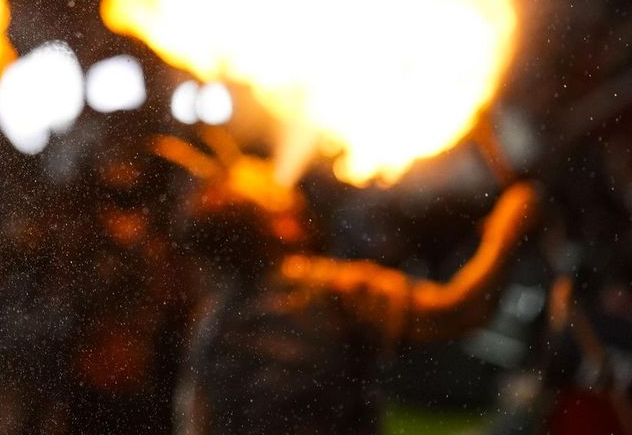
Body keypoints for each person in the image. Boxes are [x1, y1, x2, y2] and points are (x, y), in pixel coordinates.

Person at [163, 137, 541, 435]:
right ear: (281, 224)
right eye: (259, 182)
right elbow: (461, 311)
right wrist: (508, 229)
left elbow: (195, 423)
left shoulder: (211, 324)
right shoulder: (332, 293)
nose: (265, 170)